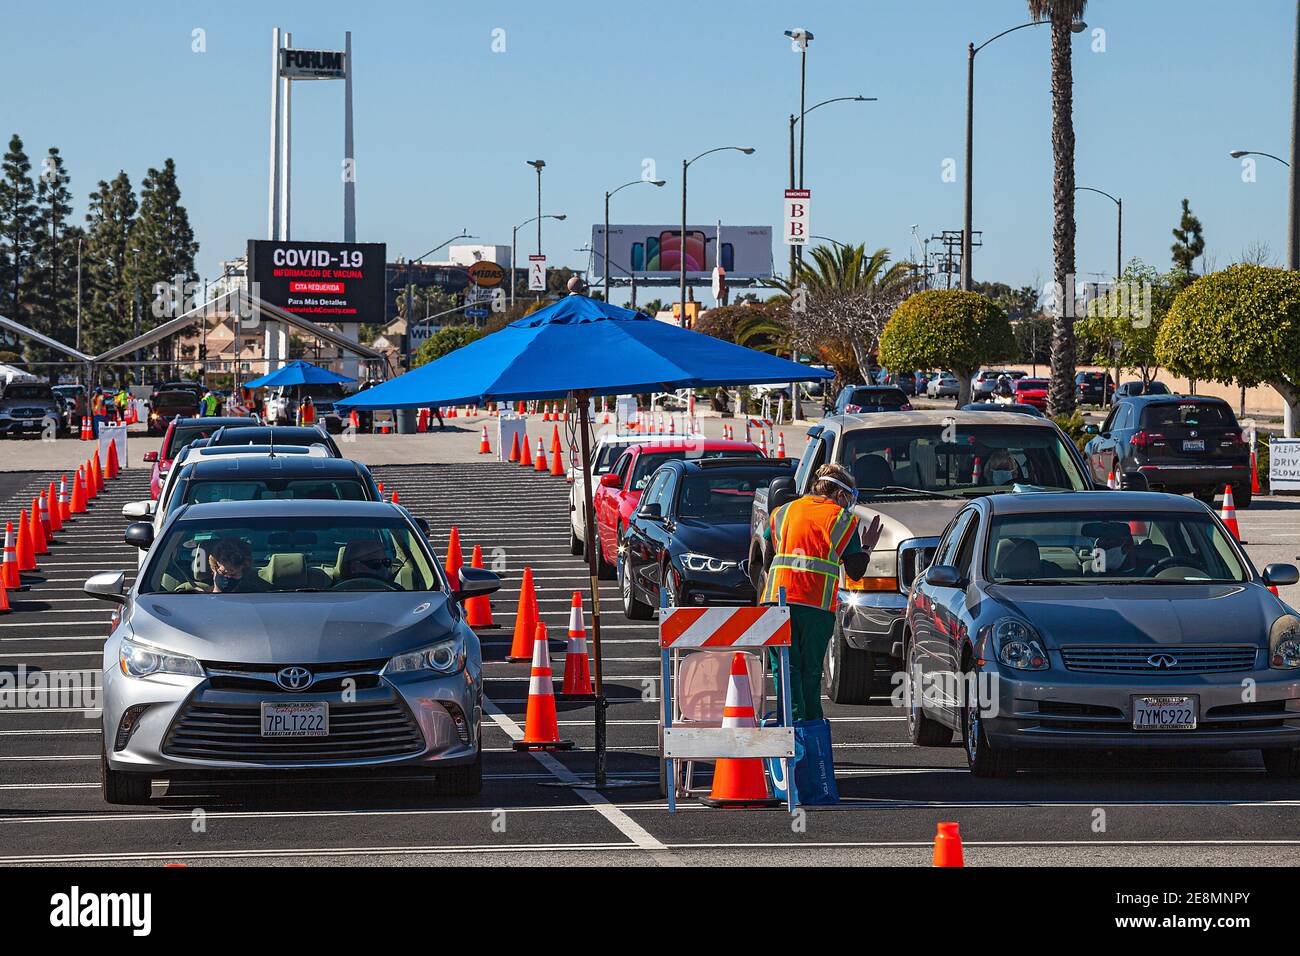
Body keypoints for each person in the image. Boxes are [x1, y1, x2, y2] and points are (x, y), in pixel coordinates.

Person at [760, 463, 883, 721]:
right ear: (839, 494)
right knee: (810, 671)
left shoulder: (783, 512)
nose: (849, 504)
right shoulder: (841, 519)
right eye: (849, 498)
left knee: (784, 668)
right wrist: (868, 547)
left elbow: (767, 558)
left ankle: (788, 729)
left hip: (775, 602)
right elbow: (856, 571)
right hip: (814, 605)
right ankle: (808, 730)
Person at [202, 537, 267, 593]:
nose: (228, 577)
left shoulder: (255, 594)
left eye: (233, 574)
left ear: (243, 572)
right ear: (214, 571)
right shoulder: (198, 596)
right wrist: (216, 591)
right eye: (223, 572)